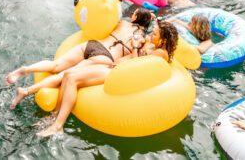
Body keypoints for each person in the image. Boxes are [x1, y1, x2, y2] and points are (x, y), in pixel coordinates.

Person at [34, 20, 179, 137]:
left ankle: (58, 126)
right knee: (67, 75)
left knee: (73, 79)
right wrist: (140, 38)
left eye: (155, 34)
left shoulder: (161, 53)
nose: (151, 35)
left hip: (120, 75)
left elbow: (136, 66)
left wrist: (135, 47)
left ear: (163, 40)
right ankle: (54, 116)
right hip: (114, 67)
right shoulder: (153, 45)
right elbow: (145, 38)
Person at [6, 5, 158, 91]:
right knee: (64, 75)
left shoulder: (122, 23)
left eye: (134, 14)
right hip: (105, 57)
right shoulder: (143, 39)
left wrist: (146, 14)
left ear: (135, 17)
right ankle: (26, 91)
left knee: (56, 65)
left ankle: (24, 70)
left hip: (93, 44)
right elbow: (135, 57)